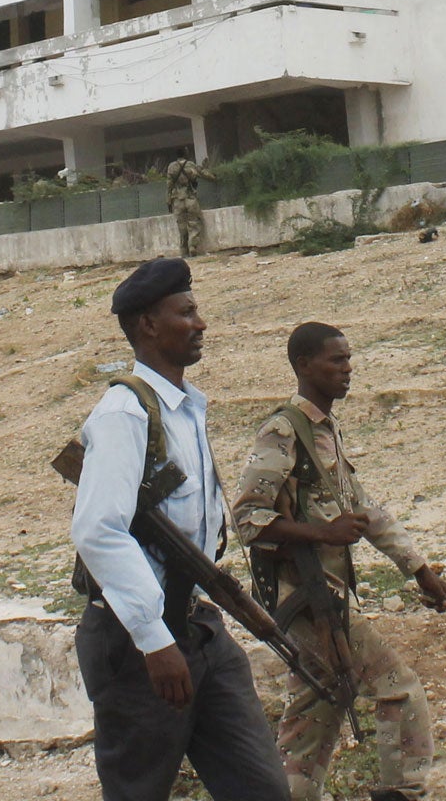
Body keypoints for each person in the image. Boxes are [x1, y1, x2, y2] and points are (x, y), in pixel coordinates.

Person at [68, 257, 287, 801]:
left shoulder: (186, 410)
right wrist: (154, 640)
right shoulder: (125, 413)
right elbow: (99, 531)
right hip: (139, 641)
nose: (201, 323)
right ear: (148, 324)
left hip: (200, 627)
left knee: (262, 789)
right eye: (186, 312)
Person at [232, 323, 446, 801]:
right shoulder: (283, 430)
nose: (347, 369)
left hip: (323, 597)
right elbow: (249, 518)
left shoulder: (325, 430)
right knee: (399, 688)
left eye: (348, 359)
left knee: (315, 715)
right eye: (336, 361)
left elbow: (363, 508)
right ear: (303, 365)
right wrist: (322, 533)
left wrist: (419, 569)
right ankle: (403, 792)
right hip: (304, 600)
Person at [164, 155, 212, 257]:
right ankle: (192, 246)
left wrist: (168, 200)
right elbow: (204, 174)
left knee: (181, 226)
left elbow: (169, 185)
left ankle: (183, 251)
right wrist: (215, 177)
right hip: (190, 198)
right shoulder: (191, 165)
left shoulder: (171, 167)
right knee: (194, 222)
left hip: (177, 200)